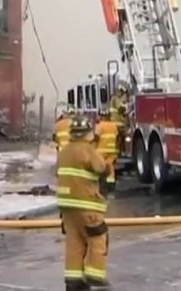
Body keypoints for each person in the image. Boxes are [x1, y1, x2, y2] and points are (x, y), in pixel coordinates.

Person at [57, 115, 110, 290]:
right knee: (98, 237)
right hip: (87, 205)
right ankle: (94, 274)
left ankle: (74, 280)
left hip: (67, 208)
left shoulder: (64, 151)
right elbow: (100, 168)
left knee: (75, 242)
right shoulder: (87, 149)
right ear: (88, 133)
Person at [92, 112, 119, 195]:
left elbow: (96, 138)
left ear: (102, 116)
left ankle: (100, 185)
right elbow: (117, 138)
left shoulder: (100, 126)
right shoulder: (114, 126)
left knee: (99, 168)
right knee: (110, 167)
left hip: (101, 151)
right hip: (112, 150)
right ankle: (111, 185)